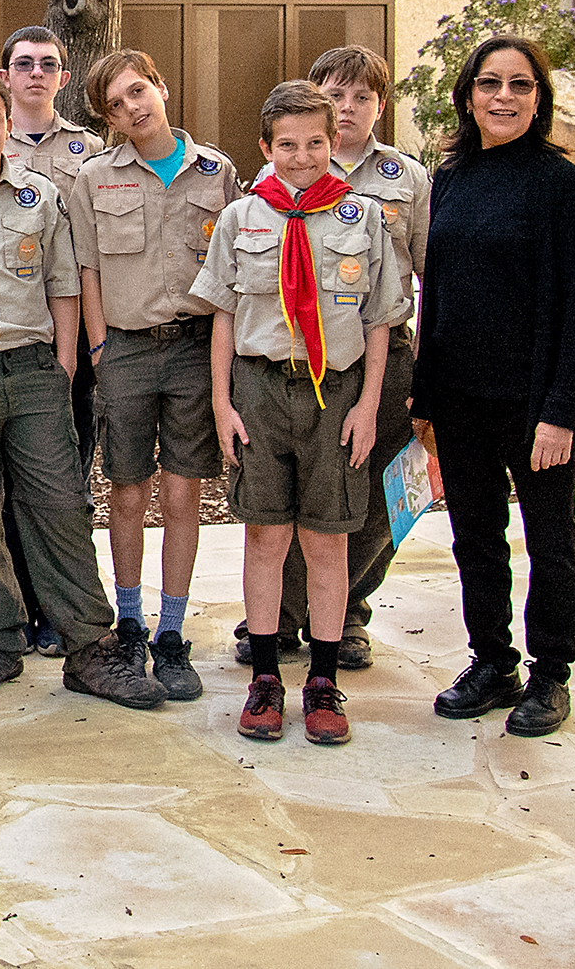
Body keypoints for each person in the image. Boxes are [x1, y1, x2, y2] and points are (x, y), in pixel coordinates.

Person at [0, 68, 165, 710]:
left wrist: (63, 365)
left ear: (6, 127)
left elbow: (64, 285)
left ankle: (90, 650)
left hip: (34, 374)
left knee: (60, 506)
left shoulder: (40, 197)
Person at [194, 81, 407, 745]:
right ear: (265, 148)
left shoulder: (361, 218)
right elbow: (225, 318)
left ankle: (320, 678)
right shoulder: (242, 217)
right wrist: (222, 404)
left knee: (327, 541)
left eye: (316, 142)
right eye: (287, 145)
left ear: (334, 141)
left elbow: (379, 322)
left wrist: (369, 407)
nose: (303, 156)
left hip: (335, 393)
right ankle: (264, 677)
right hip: (260, 389)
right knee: (265, 538)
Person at [416, 35, 575, 739]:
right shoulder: (454, 177)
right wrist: (426, 400)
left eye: (520, 85)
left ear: (538, 99)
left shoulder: (562, 186)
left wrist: (559, 414)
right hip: (461, 399)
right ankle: (493, 660)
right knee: (476, 538)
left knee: (550, 539)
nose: (504, 96)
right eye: (490, 83)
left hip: (536, 405)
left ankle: (551, 674)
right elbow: (439, 294)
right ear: (468, 96)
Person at [242, 46, 431, 671]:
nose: (349, 107)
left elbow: (430, 273)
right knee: (289, 499)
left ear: (381, 104)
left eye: (363, 96)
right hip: (288, 359)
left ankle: (348, 609)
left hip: (375, 352)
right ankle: (284, 613)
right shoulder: (271, 186)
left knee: (367, 499)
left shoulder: (405, 178)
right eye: (336, 93)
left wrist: (423, 372)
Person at [63, 48, 237, 703]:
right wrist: (102, 347)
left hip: (194, 349)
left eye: (139, 91)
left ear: (160, 87)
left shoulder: (216, 172)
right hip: (128, 352)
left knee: (184, 494)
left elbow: (232, 270)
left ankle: (171, 633)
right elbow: (87, 271)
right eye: (117, 104)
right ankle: (130, 624)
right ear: (108, 119)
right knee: (129, 491)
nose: (133, 108)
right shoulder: (95, 178)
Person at [0, 25, 107, 657]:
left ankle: (57, 602)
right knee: (4, 483)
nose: (35, 73)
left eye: (48, 64)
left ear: (63, 77)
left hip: (69, 338)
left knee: (64, 477)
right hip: (7, 331)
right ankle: (16, 601)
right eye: (23, 64)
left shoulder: (90, 152)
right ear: (7, 73)